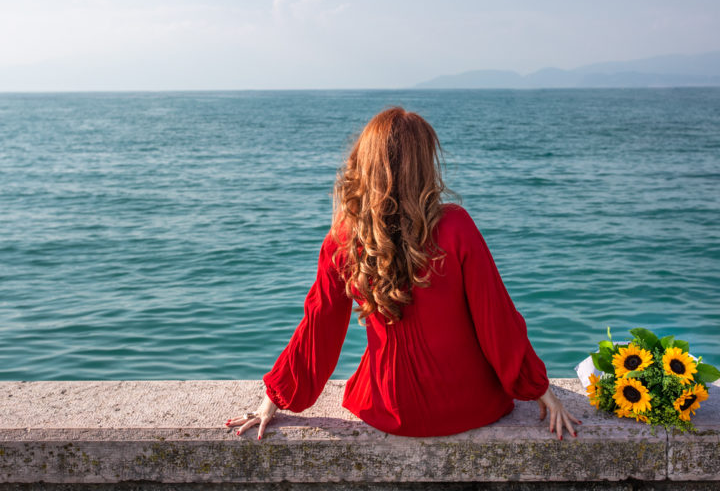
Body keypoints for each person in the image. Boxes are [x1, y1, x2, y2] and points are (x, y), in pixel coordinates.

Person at [225, 106, 580, 440]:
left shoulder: (343, 239)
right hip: (470, 404)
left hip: (387, 408)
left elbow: (318, 329)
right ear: (423, 164)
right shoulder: (456, 226)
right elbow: (496, 319)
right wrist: (539, 389)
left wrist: (273, 399)